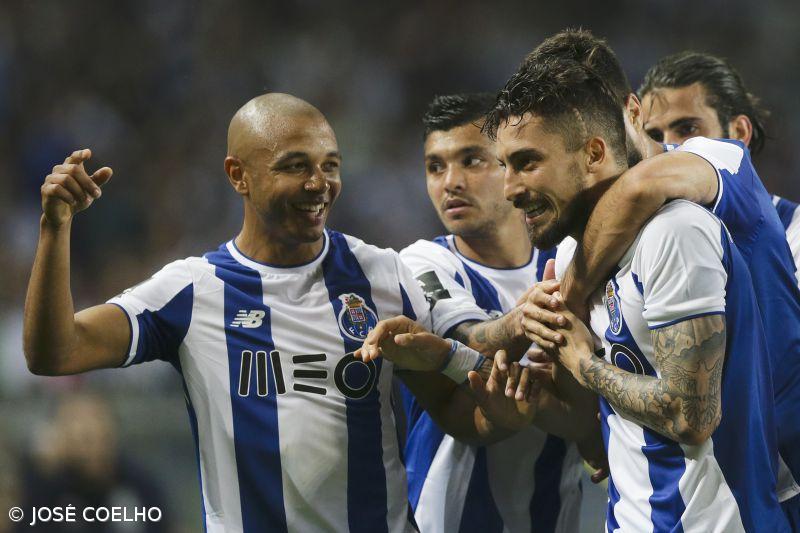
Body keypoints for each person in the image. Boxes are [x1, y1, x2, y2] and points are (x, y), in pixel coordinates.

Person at [22, 92, 497, 533]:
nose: (319, 184)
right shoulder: (192, 290)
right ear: (238, 175)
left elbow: (461, 412)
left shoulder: (384, 274)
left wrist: (469, 369)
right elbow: (55, 353)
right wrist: (55, 229)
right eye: (294, 166)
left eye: (329, 165)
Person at [484, 50, 788, 531]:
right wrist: (538, 374)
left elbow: (690, 415)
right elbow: (599, 435)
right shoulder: (574, 251)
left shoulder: (688, 209)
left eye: (527, 161)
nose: (508, 188)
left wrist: (578, 337)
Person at [398, 93, 584, 532]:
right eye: (435, 167)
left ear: (511, 166)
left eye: (471, 160)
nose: (451, 182)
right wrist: (524, 321)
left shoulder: (571, 259)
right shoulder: (421, 262)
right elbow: (458, 340)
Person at [638, 51, 800, 282]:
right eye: (654, 135)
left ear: (739, 133)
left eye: (687, 129)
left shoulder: (795, 234)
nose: (667, 147)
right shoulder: (640, 239)